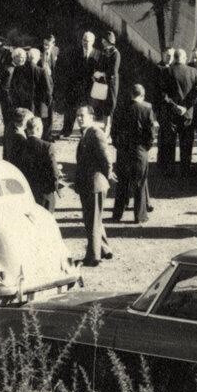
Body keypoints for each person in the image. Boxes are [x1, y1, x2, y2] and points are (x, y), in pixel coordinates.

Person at [73, 108, 115, 267]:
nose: (79, 119)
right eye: (77, 116)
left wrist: (107, 175)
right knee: (94, 218)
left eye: (82, 116)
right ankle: (104, 249)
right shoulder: (86, 133)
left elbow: (106, 159)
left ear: (91, 117)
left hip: (94, 183)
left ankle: (93, 256)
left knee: (92, 221)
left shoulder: (96, 133)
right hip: (88, 183)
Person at [110, 80, 156, 222]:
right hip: (139, 151)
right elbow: (151, 134)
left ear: (131, 94)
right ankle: (140, 216)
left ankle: (117, 214)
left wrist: (119, 146)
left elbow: (114, 132)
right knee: (139, 184)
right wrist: (145, 148)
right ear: (142, 96)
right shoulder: (147, 110)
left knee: (122, 184)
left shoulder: (120, 109)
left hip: (124, 150)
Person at [160, 48, 197, 177]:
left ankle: (170, 171)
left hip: (171, 114)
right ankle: (185, 170)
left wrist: (175, 106)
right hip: (187, 114)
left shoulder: (166, 71)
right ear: (184, 58)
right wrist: (185, 106)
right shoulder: (193, 71)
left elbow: (163, 94)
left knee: (170, 144)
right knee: (186, 144)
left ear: (174, 58)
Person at [6, 48, 52, 134]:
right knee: (35, 122)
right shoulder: (41, 71)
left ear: (28, 57)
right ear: (37, 58)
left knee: (24, 120)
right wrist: (48, 102)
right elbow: (47, 89)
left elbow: (13, 87)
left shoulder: (18, 69)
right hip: (38, 103)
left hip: (22, 102)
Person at [19, 115, 60, 210]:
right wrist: (56, 187)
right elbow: (53, 170)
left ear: (28, 130)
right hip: (44, 193)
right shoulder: (47, 146)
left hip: (27, 191)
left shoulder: (20, 146)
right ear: (38, 129)